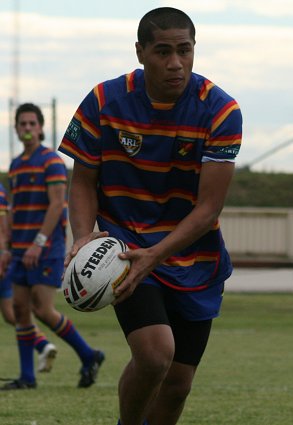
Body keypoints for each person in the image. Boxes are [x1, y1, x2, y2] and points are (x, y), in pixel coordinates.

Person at [59, 7, 242, 425]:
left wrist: (156, 254)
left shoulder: (220, 111)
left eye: (184, 50)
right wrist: (83, 235)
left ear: (195, 50)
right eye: (162, 51)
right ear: (140, 52)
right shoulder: (104, 101)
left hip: (194, 258)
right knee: (156, 355)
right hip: (127, 251)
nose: (175, 63)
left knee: (178, 383)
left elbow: (208, 208)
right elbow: (84, 180)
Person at [0, 103, 105, 390]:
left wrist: (39, 242)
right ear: (16, 128)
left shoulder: (51, 161)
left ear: (41, 127)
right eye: (22, 124)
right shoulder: (17, 165)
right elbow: (14, 209)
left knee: (43, 309)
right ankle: (27, 377)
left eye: (32, 123)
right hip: (20, 249)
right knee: (21, 309)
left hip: (45, 249)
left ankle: (89, 354)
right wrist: (8, 247)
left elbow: (58, 204)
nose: (27, 128)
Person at [0, 182, 57, 373]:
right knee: (11, 313)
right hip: (9, 256)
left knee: (18, 311)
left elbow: (3, 225)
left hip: (5, 257)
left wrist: (4, 250)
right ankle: (42, 345)